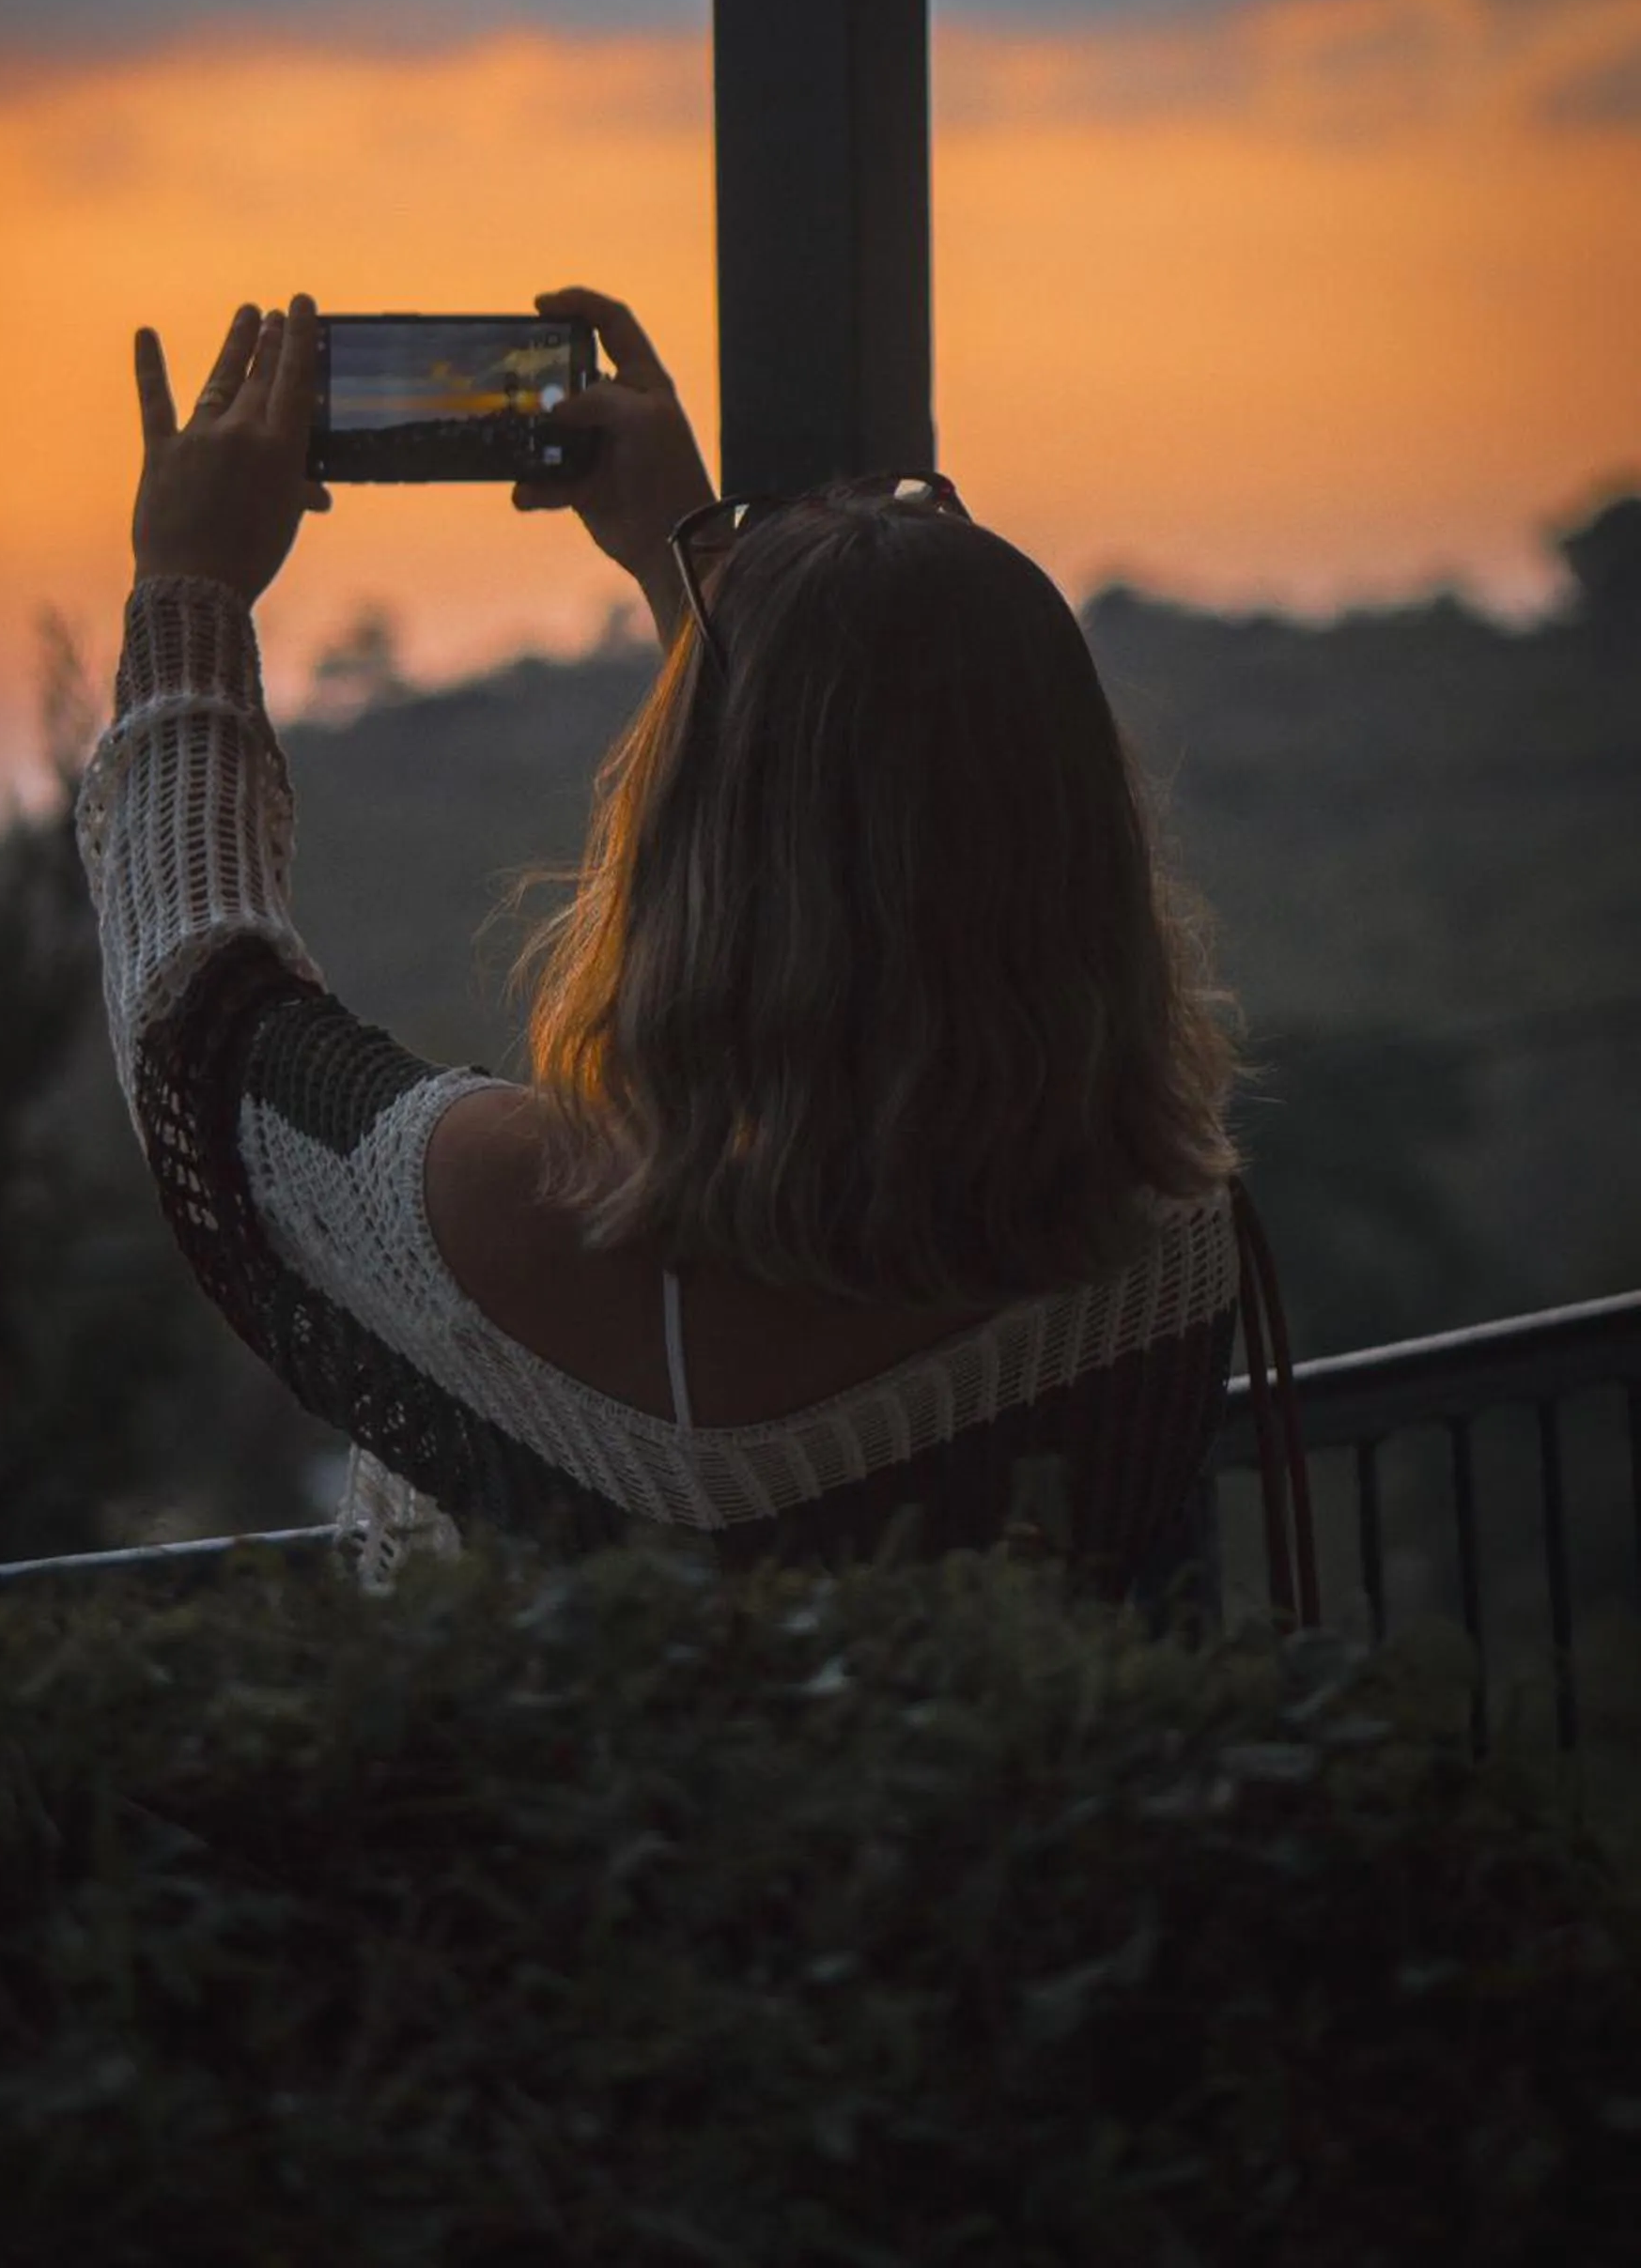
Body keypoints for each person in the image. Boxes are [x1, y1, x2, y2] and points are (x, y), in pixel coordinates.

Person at [79, 286, 1310, 1622]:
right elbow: (875, 838)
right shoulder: (1164, 1236)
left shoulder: (535, 1224)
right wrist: (700, 588)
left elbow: (202, 1023)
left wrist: (188, 596)